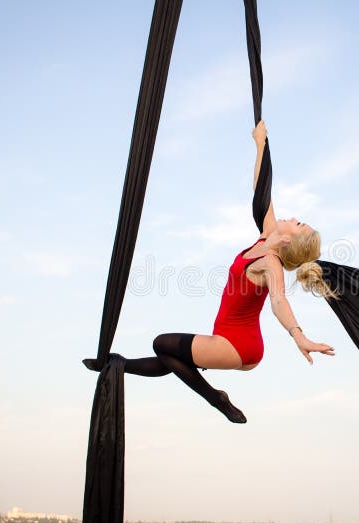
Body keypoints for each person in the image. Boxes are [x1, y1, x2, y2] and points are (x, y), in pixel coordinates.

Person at [84, 120, 338, 424]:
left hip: (239, 346)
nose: (294, 217)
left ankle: (216, 397)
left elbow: (279, 301)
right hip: (227, 337)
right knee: (172, 356)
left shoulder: (271, 261)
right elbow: (261, 190)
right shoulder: (267, 234)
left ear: (288, 241)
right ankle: (117, 365)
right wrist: (260, 144)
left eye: (299, 224)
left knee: (162, 343)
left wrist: (299, 335)